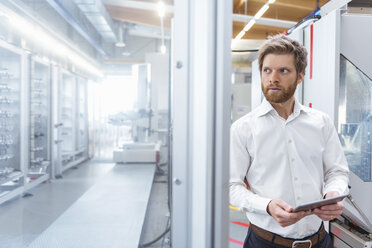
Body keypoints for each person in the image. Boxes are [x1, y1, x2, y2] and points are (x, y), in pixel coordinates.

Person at [229, 34, 349, 248]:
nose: (273, 78)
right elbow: (231, 187)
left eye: (283, 71)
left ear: (300, 76)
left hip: (319, 241)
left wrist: (334, 194)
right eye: (267, 70)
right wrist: (267, 206)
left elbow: (337, 172)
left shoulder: (321, 122)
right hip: (265, 243)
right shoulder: (243, 128)